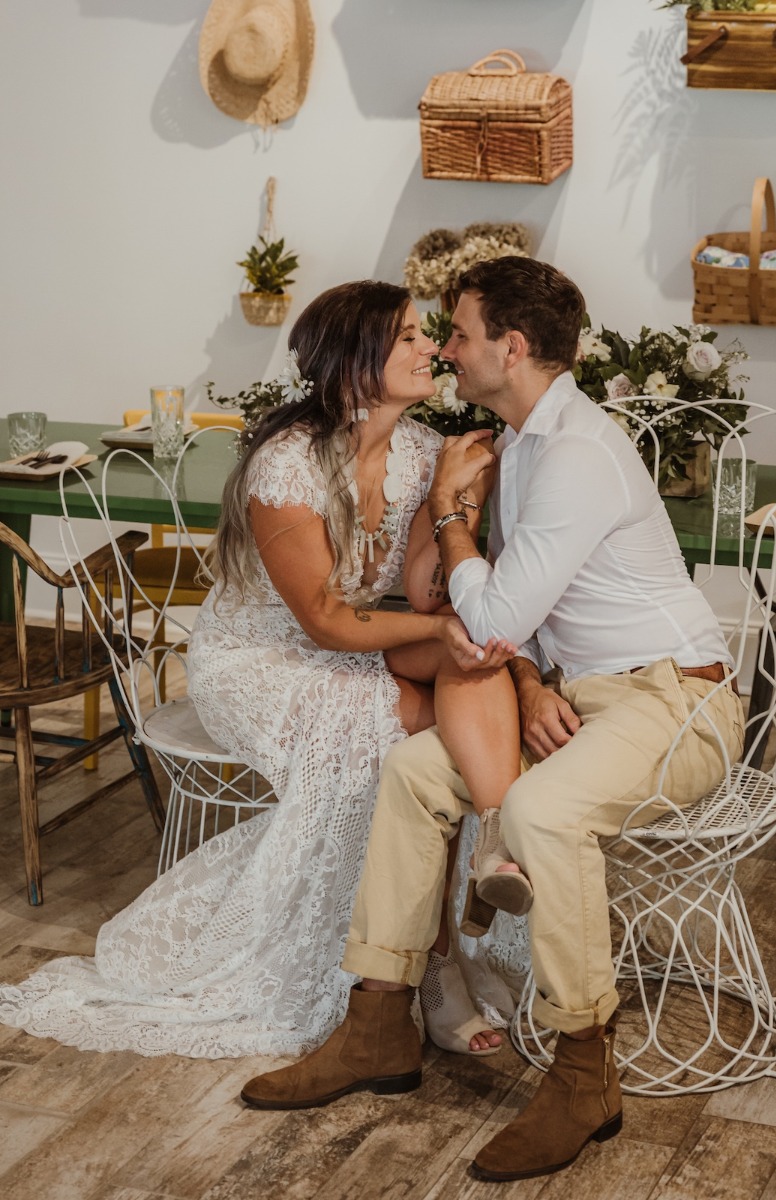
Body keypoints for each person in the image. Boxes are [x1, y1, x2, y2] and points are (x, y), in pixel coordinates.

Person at [238, 258, 745, 1183]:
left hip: (677, 702)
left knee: (544, 812)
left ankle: (585, 1073)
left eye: (459, 333)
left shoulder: (576, 454)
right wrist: (532, 679)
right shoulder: (516, 441)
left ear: (511, 348)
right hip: (590, 695)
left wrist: (449, 514)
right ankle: (379, 1023)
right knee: (411, 772)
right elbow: (504, 623)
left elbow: (495, 617)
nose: (447, 349)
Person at [0, 280, 527, 1060]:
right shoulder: (288, 467)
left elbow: (419, 590)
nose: (431, 349)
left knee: (477, 670)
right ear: (354, 362)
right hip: (262, 661)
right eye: (410, 337)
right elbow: (323, 619)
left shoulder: (419, 452)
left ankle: (488, 860)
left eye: (427, 334)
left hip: (361, 642)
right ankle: (435, 964)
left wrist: (454, 502)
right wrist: (442, 631)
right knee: (421, 743)